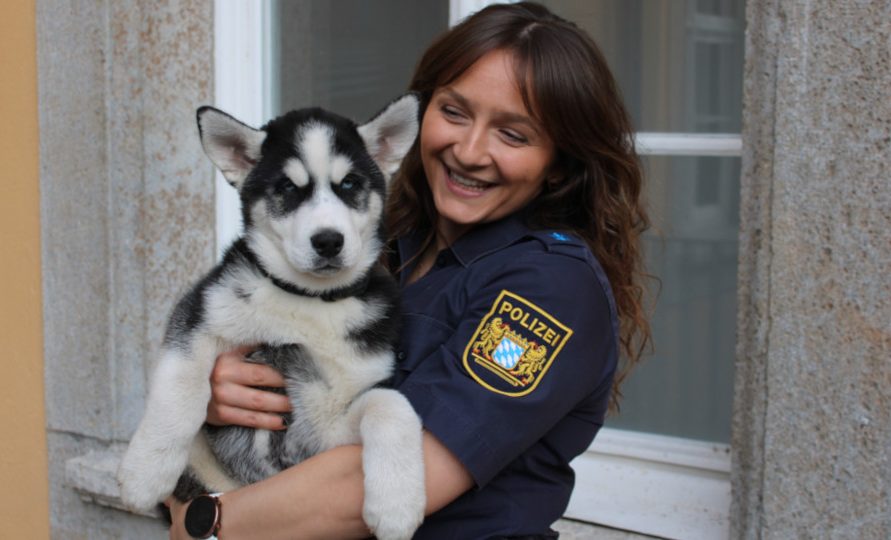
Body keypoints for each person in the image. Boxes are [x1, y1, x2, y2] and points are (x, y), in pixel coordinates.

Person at [168, 2, 651, 538]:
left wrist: (201, 524)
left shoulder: (550, 288)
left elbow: (379, 482)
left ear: (558, 162)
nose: (468, 151)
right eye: (455, 112)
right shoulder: (378, 250)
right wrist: (219, 393)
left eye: (513, 135)